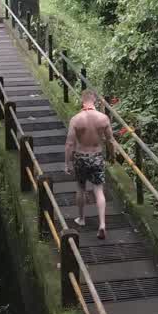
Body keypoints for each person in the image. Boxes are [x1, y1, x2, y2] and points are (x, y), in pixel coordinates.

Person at [65, 89, 113, 239]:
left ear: (82, 101)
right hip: (97, 157)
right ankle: (102, 224)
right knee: (99, 190)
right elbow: (110, 140)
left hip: (81, 157)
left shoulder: (76, 119)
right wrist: (112, 155)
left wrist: (67, 163)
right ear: (95, 101)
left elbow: (69, 144)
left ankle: (81, 218)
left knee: (80, 187)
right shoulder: (103, 118)